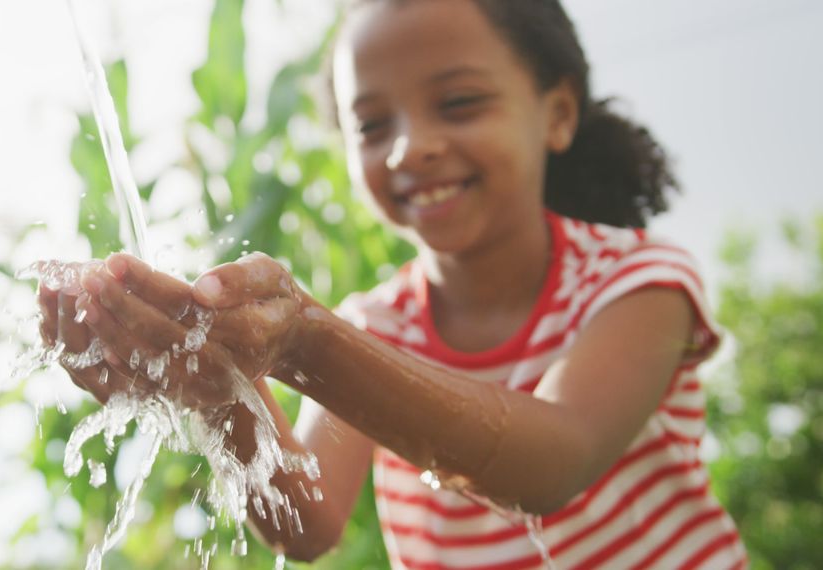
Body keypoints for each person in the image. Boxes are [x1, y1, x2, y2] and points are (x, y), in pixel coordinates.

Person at [39, 0, 747, 567]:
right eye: (373, 125)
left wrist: (306, 344)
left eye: (460, 102)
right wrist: (214, 385)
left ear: (557, 113)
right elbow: (307, 524)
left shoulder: (637, 283)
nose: (410, 147)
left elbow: (554, 465)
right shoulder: (380, 323)